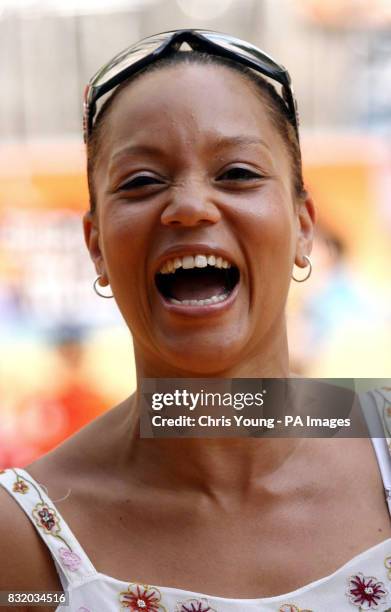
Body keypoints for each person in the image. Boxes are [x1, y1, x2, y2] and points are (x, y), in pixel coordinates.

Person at [0, 30, 390, 612]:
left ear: (304, 226)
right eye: (140, 182)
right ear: (97, 245)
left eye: (237, 173)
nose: (188, 207)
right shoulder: (23, 543)